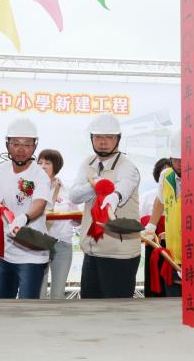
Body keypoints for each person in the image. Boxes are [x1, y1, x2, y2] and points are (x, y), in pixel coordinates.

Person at [70, 113, 141, 298]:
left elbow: (122, 191)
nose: (103, 142)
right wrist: (95, 185)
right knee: (89, 309)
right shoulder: (88, 163)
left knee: (117, 312)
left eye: (109, 137)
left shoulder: (128, 167)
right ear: (92, 139)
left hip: (119, 253)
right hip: (92, 250)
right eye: (99, 137)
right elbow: (75, 195)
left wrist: (111, 196)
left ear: (118, 139)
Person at [0, 118, 51, 299]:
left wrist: (24, 218)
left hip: (32, 254)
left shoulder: (40, 175)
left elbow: (40, 204)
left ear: (34, 146)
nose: (21, 149)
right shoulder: (3, 169)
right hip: (4, 253)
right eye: (15, 143)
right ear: (7, 144)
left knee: (27, 310)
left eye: (27, 144)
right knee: (1, 306)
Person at [144, 129, 181, 296]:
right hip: (173, 252)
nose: (180, 163)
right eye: (176, 160)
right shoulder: (166, 175)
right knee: (173, 302)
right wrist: (151, 225)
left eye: (183, 159)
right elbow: (160, 200)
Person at [38, 149, 80, 299]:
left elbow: (76, 218)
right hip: (38, 244)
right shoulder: (31, 188)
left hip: (62, 244)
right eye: (40, 163)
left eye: (47, 163)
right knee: (38, 294)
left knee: (58, 294)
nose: (42, 166)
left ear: (56, 166)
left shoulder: (66, 190)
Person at [140, 157, 171, 298]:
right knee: (154, 278)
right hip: (153, 243)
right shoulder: (147, 196)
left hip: (172, 242)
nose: (165, 174)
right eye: (162, 171)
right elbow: (141, 220)